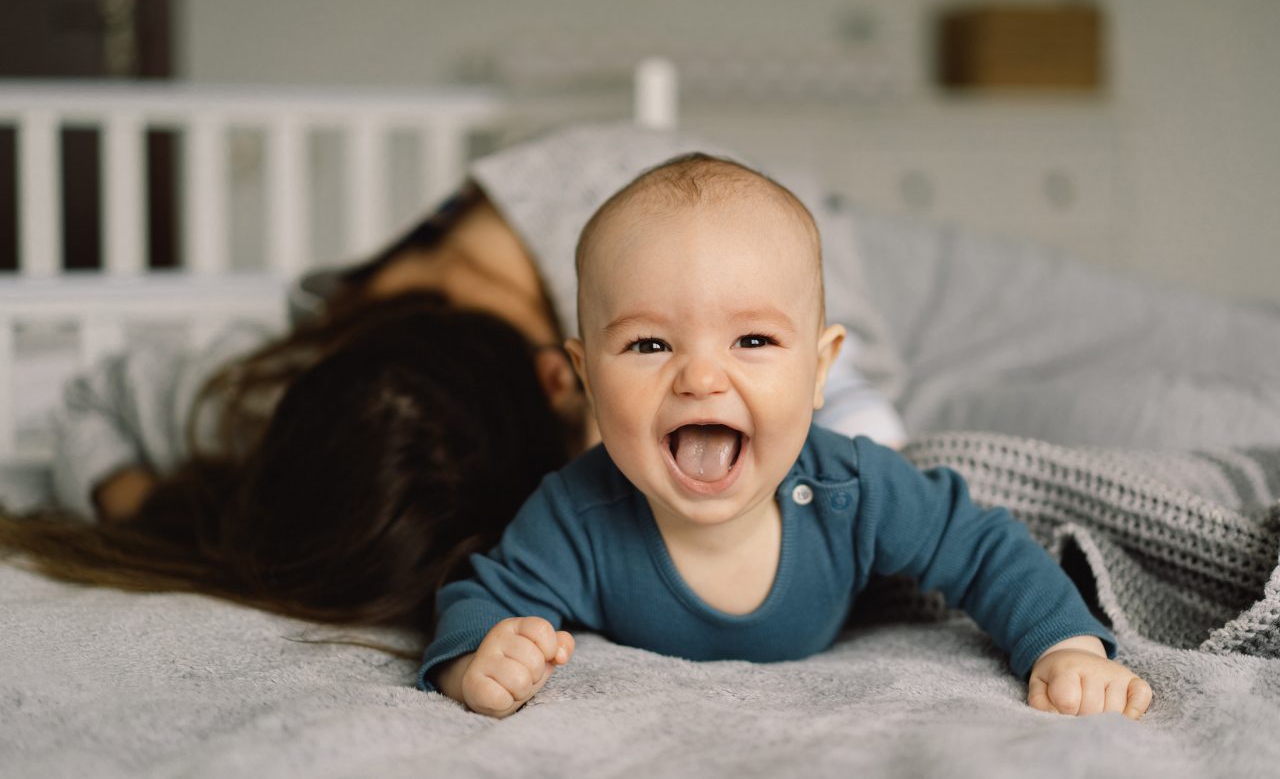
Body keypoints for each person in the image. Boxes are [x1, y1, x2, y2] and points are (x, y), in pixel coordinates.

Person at [0, 123, 905, 632]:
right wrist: (137, 503)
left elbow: (828, 327)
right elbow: (99, 396)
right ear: (573, 373)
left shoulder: (616, 215)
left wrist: (126, 501)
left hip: (882, 262)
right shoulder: (287, 401)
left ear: (561, 382)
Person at [420, 154, 1153, 720]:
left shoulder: (851, 489)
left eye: (753, 340)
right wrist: (478, 659)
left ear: (819, 369)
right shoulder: (576, 516)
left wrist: (1065, 646)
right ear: (585, 375)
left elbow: (984, 547)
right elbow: (481, 595)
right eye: (649, 345)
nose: (701, 379)